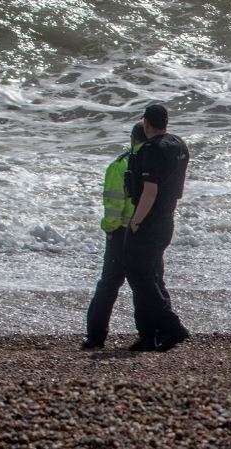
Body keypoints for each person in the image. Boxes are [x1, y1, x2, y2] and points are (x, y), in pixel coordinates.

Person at [125, 104, 190, 352]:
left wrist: (136, 221)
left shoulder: (152, 149)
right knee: (152, 276)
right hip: (167, 218)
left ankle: (171, 326)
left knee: (140, 276)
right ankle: (151, 335)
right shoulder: (179, 144)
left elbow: (149, 192)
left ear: (146, 123)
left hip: (149, 221)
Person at [82, 123, 147, 350]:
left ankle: (96, 336)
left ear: (132, 138)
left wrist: (109, 228)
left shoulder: (120, 165)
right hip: (146, 230)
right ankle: (149, 334)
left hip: (121, 231)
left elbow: (113, 204)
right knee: (146, 284)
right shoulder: (156, 163)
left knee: (109, 284)